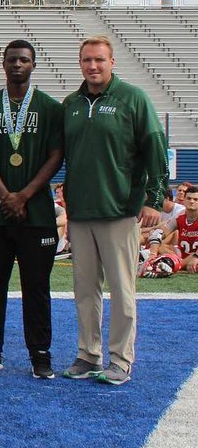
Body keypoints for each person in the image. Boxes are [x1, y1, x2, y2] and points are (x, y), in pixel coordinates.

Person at [61, 35, 167, 385]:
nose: (93, 66)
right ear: (80, 63)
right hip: (81, 213)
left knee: (122, 290)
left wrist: (153, 199)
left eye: (99, 60)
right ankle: (88, 353)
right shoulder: (71, 104)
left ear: (112, 62)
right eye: (87, 60)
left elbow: (155, 147)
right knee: (84, 289)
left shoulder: (133, 99)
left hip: (120, 211)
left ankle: (121, 359)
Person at [0, 40, 63, 378]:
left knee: (36, 286)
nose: (18, 65)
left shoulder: (50, 108)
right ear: (4, 64)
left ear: (33, 64)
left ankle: (40, 353)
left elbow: (56, 156)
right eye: (12, 60)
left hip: (37, 213)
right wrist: (6, 196)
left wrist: (23, 196)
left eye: (24, 60)